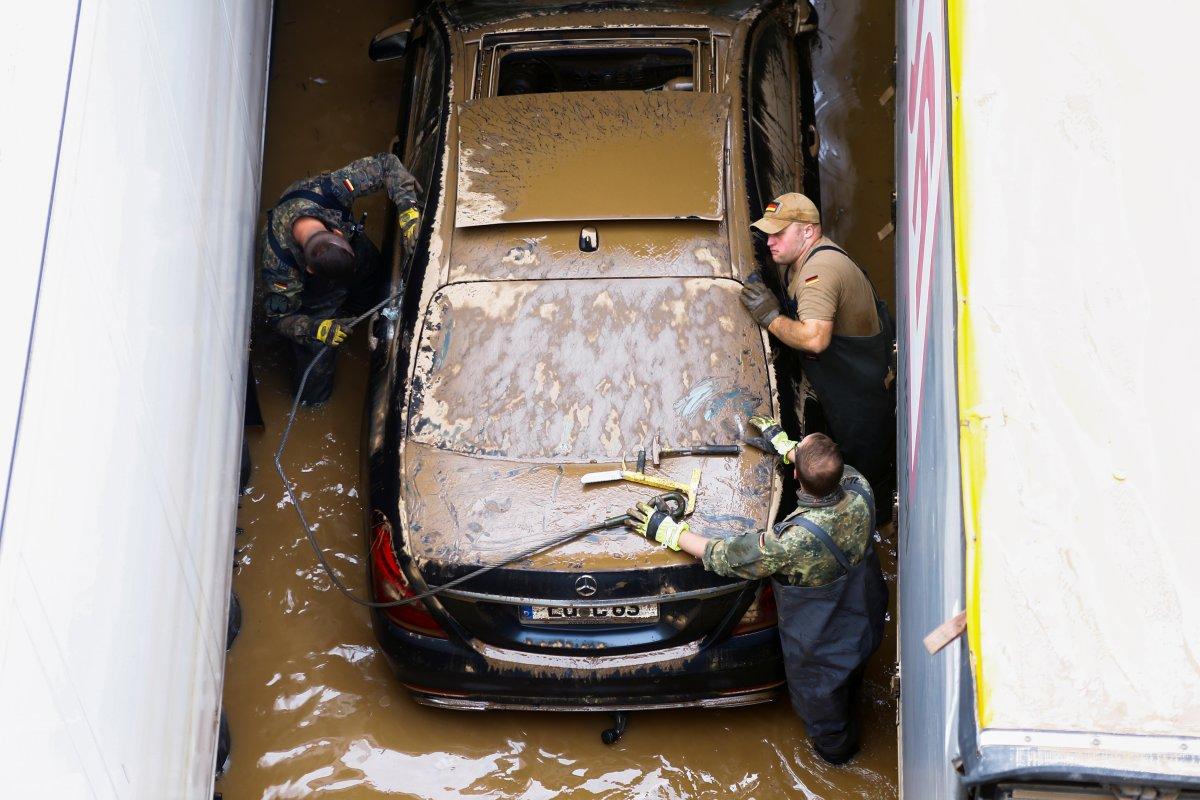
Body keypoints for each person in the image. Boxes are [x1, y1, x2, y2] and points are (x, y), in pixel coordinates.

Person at [626, 423, 888, 765]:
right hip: (865, 618)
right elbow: (819, 463)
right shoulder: (859, 486)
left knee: (824, 713)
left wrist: (669, 532)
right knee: (852, 678)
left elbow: (724, 555)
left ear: (796, 476)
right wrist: (784, 443)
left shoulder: (790, 542)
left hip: (822, 648)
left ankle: (838, 759)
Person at [739, 193, 896, 521]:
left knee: (865, 478)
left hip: (860, 397)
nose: (770, 241)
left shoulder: (819, 272)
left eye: (779, 233)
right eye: (768, 233)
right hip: (848, 382)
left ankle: (873, 528)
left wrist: (770, 317)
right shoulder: (804, 258)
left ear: (808, 232)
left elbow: (814, 339)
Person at [260, 152, 421, 405]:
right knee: (314, 379)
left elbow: (386, 165)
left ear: (337, 232)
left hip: (358, 260)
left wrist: (408, 210)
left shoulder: (330, 190)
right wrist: (316, 329)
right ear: (310, 269)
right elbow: (279, 317)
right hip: (316, 297)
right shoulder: (279, 263)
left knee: (373, 281)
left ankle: (357, 314)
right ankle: (313, 402)